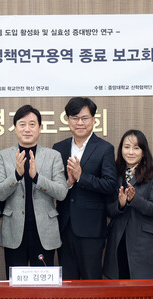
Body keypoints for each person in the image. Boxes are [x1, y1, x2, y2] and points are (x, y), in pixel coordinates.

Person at [0, 105, 68, 277]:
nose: (27, 129)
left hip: (44, 232)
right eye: (22, 124)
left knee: (43, 287)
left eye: (32, 124)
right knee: (15, 286)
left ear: (40, 128)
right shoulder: (3, 156)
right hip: (14, 232)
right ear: (15, 128)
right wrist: (16, 175)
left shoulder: (53, 156)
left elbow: (61, 192)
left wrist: (37, 178)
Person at [53, 97, 117, 279]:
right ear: (68, 120)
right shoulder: (59, 148)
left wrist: (82, 177)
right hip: (65, 226)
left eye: (84, 118)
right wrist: (68, 183)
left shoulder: (104, 148)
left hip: (91, 228)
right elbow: (54, 185)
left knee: (91, 282)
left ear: (93, 120)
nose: (79, 123)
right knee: (67, 282)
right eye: (75, 118)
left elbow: (110, 185)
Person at [103, 130, 153, 279]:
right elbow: (108, 209)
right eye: (127, 147)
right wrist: (121, 205)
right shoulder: (114, 172)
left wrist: (133, 200)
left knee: (142, 288)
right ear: (121, 149)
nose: (130, 152)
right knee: (119, 285)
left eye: (136, 148)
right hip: (118, 238)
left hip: (142, 241)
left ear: (143, 151)